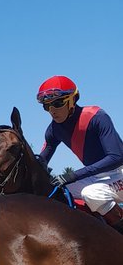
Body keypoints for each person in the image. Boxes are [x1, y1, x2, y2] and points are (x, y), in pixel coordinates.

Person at [36, 76, 123, 230]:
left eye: (57, 103)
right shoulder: (53, 130)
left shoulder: (97, 117)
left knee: (92, 194)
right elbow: (40, 162)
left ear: (72, 100)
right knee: (58, 193)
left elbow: (117, 157)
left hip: (119, 172)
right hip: (97, 176)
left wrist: (73, 175)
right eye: (46, 106)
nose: (52, 110)